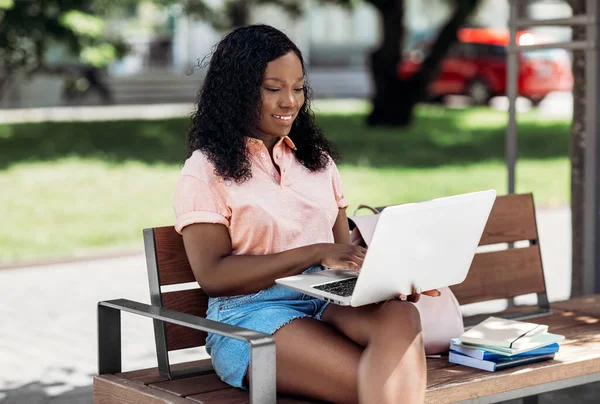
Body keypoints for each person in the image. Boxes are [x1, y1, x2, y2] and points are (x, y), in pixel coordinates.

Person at [173, 24, 438, 404]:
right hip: (252, 316)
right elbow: (214, 276)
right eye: (273, 88)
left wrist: (391, 280)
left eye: (298, 88)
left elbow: (340, 258)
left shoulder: (317, 163)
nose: (290, 102)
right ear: (236, 91)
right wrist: (313, 254)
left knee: (402, 317)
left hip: (327, 302)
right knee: (380, 381)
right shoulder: (205, 170)